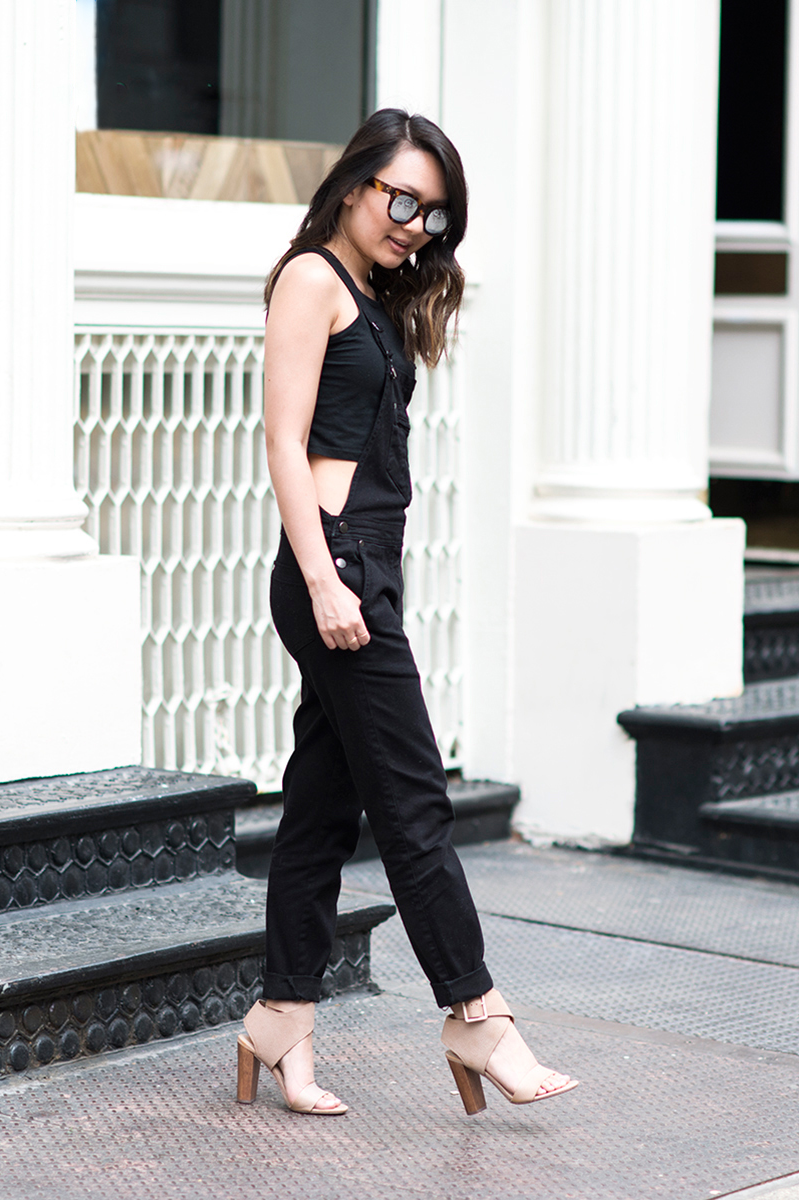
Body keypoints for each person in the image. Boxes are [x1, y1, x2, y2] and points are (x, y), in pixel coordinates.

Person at [235, 109, 577, 1118]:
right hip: (333, 569)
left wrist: (358, 578)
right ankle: (476, 1014)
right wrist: (327, 582)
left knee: (322, 807)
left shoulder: (379, 298)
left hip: (366, 568)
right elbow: (284, 444)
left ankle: (279, 1020)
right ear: (353, 186)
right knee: (414, 799)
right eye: (401, 199)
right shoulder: (311, 280)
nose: (414, 224)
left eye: (432, 211)